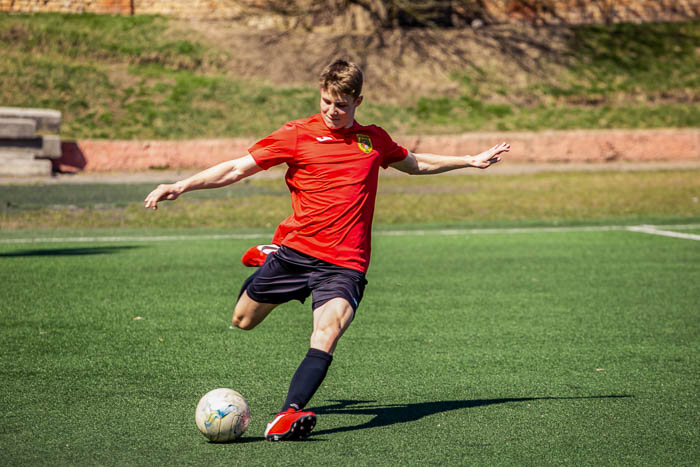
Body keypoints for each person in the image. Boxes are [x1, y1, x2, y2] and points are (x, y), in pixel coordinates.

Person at [144, 59, 510, 441]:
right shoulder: (297, 135)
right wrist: (182, 185)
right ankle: (273, 255)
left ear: (358, 101)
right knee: (243, 321)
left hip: (344, 264)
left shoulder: (372, 140)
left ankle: (287, 414)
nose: (332, 112)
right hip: (297, 253)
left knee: (328, 330)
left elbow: (415, 163)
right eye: (326, 102)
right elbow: (237, 169)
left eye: (342, 105)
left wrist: (468, 161)